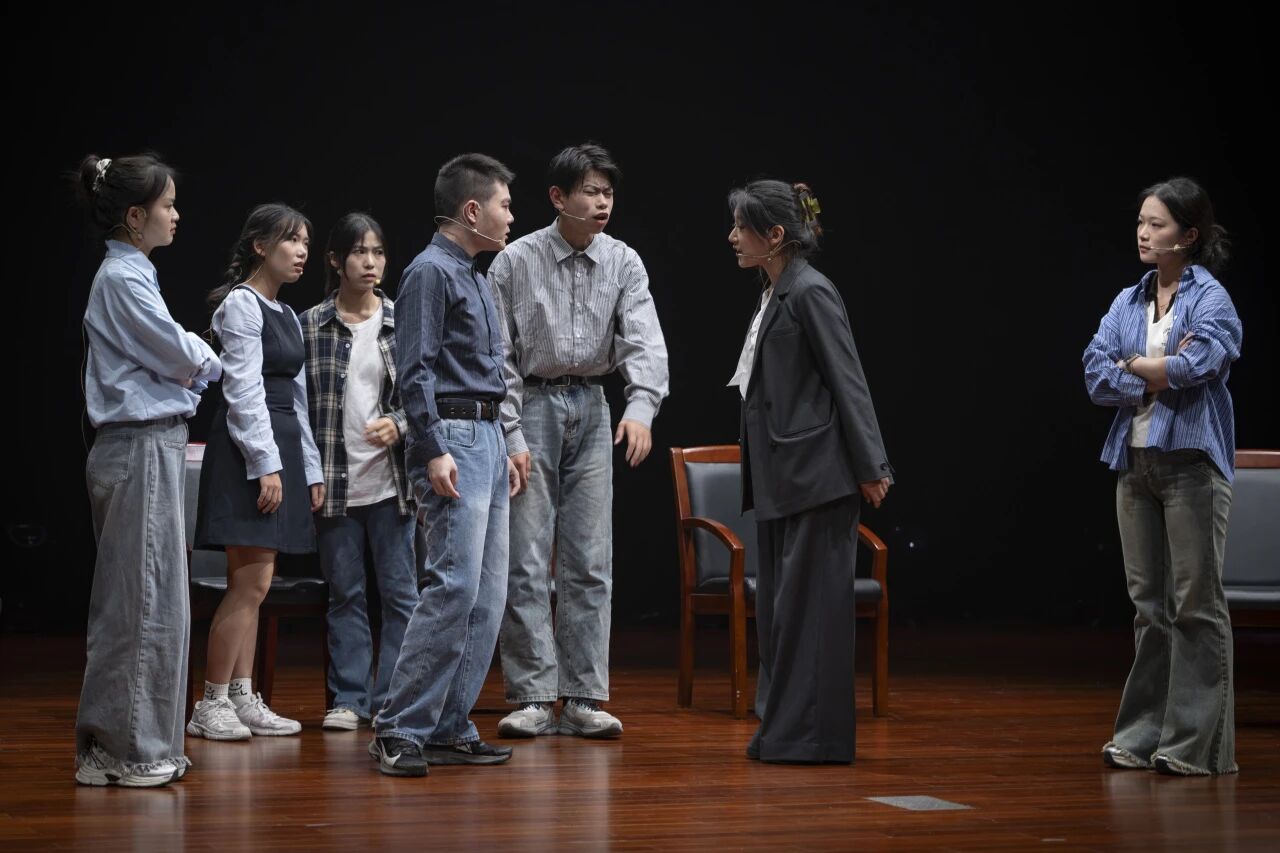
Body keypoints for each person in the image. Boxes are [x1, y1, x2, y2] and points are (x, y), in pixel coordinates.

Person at [489, 143, 668, 739]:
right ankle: (534, 695)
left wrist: (641, 407)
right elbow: (498, 356)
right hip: (532, 405)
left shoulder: (623, 261)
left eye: (608, 192)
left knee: (590, 558)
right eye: (590, 191)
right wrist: (510, 429)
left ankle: (585, 696)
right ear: (558, 197)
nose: (602, 202)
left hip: (592, 404)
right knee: (526, 558)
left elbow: (644, 340)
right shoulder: (515, 261)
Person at [728, 179, 892, 764]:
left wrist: (871, 465)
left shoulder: (811, 292)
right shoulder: (775, 292)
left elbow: (848, 380)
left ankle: (814, 737)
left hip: (817, 477)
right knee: (783, 612)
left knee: (812, 613)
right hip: (785, 476)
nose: (732, 237)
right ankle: (784, 731)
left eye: (741, 227)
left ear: (774, 235)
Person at [1083, 176, 1242, 776]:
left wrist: (1141, 366)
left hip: (1190, 465)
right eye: (1141, 222)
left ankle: (1194, 746)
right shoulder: (1129, 300)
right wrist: (1149, 371)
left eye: (1158, 224)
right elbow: (1095, 372)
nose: (1144, 233)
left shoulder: (1211, 299)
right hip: (1135, 464)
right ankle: (1141, 734)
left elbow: (1201, 362)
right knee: (1149, 609)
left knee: (1195, 607)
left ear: (1188, 235)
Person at [370, 153, 521, 777]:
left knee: (487, 595)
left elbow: (493, 372)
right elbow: (414, 372)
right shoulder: (429, 272)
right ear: (472, 210)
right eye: (505, 205)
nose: (511, 216)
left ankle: (448, 724)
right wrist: (432, 448)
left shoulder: (476, 276)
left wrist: (509, 440)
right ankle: (398, 726)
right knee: (453, 586)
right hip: (453, 435)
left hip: (487, 433)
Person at [73, 153, 222, 787]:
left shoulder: (131, 275)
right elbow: (180, 352)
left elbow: (171, 359)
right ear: (136, 217)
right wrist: (205, 361)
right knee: (144, 601)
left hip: (143, 446)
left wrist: (187, 367)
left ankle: (125, 746)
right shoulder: (123, 278)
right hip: (139, 447)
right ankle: (128, 750)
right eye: (167, 205)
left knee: (146, 598)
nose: (176, 214)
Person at [189, 204, 325, 740]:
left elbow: (299, 400)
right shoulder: (241, 305)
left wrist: (308, 468)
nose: (301, 251)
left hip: (281, 446)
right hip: (249, 451)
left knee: (257, 585)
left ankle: (242, 697)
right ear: (260, 247)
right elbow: (243, 391)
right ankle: (210, 703)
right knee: (250, 582)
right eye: (291, 240)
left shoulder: (286, 313)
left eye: (306, 243)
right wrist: (265, 465)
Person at [301, 213, 418, 732]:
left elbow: (426, 391)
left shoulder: (401, 320)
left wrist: (400, 422)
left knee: (401, 597)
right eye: (358, 252)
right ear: (335, 260)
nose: (370, 262)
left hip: (392, 484)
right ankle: (350, 699)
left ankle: (392, 698)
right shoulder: (310, 325)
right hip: (335, 484)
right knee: (345, 594)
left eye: (378, 252)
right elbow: (296, 407)